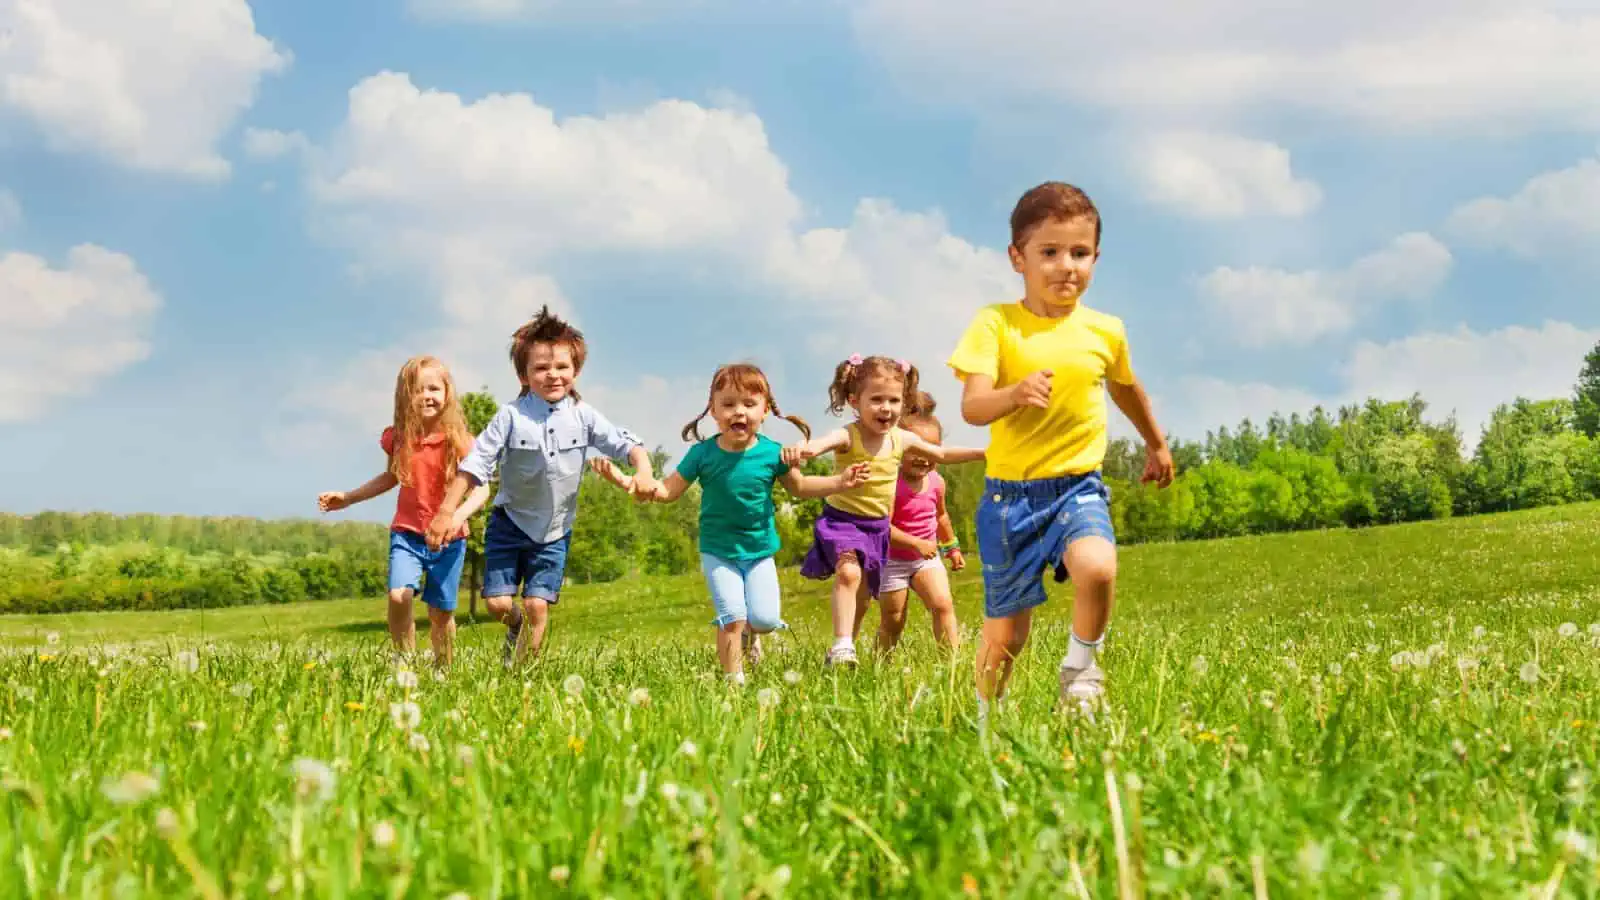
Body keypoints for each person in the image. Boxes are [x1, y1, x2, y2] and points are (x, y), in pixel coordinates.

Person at [946, 181, 1173, 722]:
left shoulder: (1105, 330)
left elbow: (1124, 386)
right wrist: (1015, 394)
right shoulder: (995, 323)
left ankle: (1080, 673)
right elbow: (973, 408)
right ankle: (984, 722)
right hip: (1009, 500)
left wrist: (1156, 442)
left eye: (1080, 253)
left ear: (1096, 257)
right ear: (1017, 258)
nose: (1066, 266)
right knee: (1008, 634)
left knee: (1097, 568)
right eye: (1049, 252)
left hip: (1078, 484)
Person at [595, 363, 870, 684]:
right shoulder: (702, 454)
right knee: (732, 617)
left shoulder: (772, 453)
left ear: (765, 410)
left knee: (764, 619)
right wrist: (624, 480)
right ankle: (733, 682)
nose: (738, 412)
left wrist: (840, 482)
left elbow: (801, 487)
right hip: (718, 551)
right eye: (728, 404)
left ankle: (753, 636)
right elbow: (666, 491)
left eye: (749, 404)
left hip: (759, 551)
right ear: (713, 410)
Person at [428, 306, 658, 668]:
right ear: (523, 374)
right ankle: (514, 626)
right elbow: (475, 465)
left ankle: (523, 675)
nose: (553, 375)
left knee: (538, 603)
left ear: (576, 370)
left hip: (554, 530)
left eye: (562, 367)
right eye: (541, 368)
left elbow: (626, 444)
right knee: (498, 605)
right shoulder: (510, 416)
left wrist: (643, 471)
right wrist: (446, 513)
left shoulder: (584, 416)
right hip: (510, 523)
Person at [784, 355, 985, 667]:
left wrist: (984, 452)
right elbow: (820, 444)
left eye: (893, 400)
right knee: (852, 578)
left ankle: (950, 664)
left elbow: (942, 453)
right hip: (843, 523)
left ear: (903, 403)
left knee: (873, 600)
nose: (886, 408)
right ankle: (842, 646)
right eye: (876, 399)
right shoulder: (848, 435)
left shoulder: (901, 438)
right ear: (854, 400)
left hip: (876, 530)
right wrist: (802, 449)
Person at [317, 355, 488, 667]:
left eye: (434, 388)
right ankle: (405, 665)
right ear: (404, 396)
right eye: (417, 390)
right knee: (399, 596)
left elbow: (483, 490)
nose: (427, 396)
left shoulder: (460, 440)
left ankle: (443, 668)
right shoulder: (397, 438)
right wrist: (349, 497)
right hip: (407, 535)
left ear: (447, 393)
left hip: (450, 539)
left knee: (440, 613)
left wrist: (456, 517)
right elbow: (392, 476)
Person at [856, 391, 964, 654]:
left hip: (925, 558)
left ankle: (953, 663)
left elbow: (940, 515)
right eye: (914, 449)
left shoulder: (937, 482)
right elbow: (881, 527)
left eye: (930, 451)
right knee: (893, 620)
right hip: (892, 560)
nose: (923, 457)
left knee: (942, 605)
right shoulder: (890, 483)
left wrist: (951, 547)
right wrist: (916, 542)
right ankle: (880, 664)